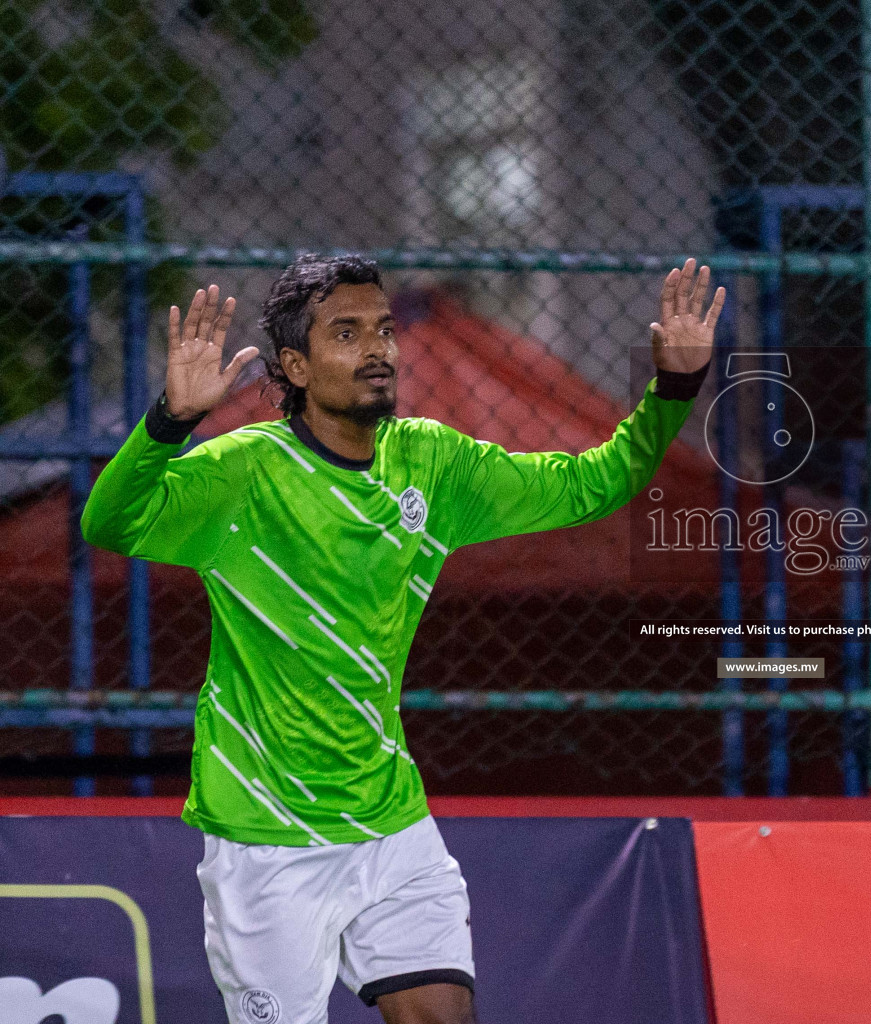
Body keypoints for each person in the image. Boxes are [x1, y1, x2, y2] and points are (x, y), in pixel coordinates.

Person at [81, 254, 722, 1024]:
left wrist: (675, 388)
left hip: (391, 822)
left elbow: (599, 481)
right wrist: (168, 423)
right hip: (265, 834)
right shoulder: (243, 472)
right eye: (346, 333)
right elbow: (108, 523)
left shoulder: (434, 462)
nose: (378, 348)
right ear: (296, 365)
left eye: (383, 329)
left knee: (442, 1013)